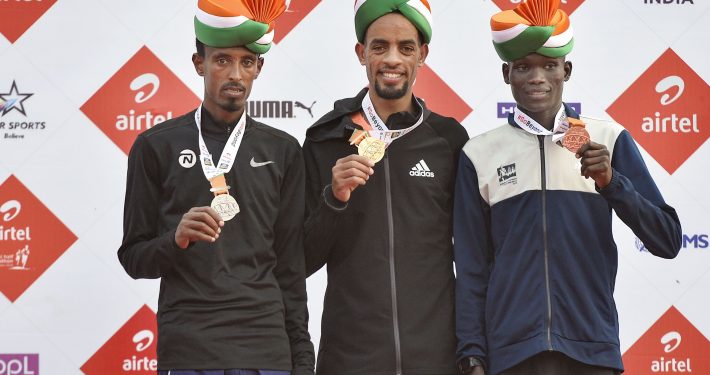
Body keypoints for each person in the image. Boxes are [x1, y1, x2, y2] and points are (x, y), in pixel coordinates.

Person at [453, 0, 682, 374]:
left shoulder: (608, 138)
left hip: (591, 350)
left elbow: (667, 240)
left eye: (549, 65)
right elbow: (472, 269)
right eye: (524, 67)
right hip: (512, 355)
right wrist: (472, 353)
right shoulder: (478, 154)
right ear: (506, 72)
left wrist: (613, 183)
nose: (537, 77)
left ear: (567, 70)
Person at [117, 0, 314, 374]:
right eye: (222, 60)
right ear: (199, 64)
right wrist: (175, 239)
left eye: (246, 62)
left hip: (266, 348)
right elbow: (133, 257)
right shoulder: (155, 146)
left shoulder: (284, 150)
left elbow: (290, 267)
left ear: (259, 67)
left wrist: (303, 359)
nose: (236, 74)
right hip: (191, 349)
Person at [303, 1, 469, 374]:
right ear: (362, 53)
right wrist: (334, 199)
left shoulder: (450, 140)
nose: (392, 59)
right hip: (350, 360)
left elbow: (474, 254)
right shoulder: (325, 140)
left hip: (437, 359)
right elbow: (300, 259)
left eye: (405, 48)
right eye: (379, 47)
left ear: (422, 55)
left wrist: (473, 349)